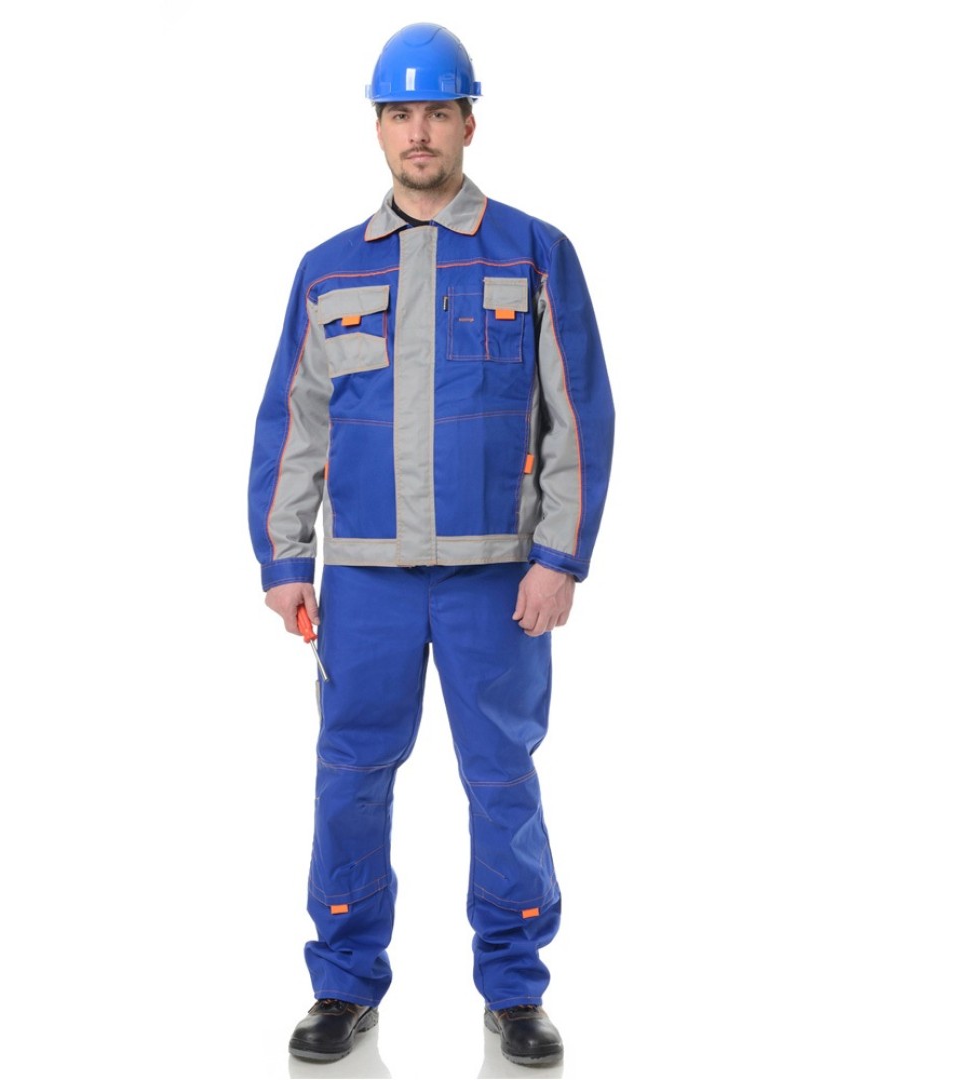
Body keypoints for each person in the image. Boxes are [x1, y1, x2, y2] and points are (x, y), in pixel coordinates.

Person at [247, 22, 614, 1068]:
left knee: (501, 780)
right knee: (350, 778)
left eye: (437, 112)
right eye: (400, 113)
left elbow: (579, 414)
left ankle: (515, 990)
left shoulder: (533, 252)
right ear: (378, 128)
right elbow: (294, 423)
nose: (419, 132)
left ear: (468, 123)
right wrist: (285, 561)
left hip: (497, 582)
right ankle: (343, 983)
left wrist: (558, 558)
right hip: (364, 584)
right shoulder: (327, 270)